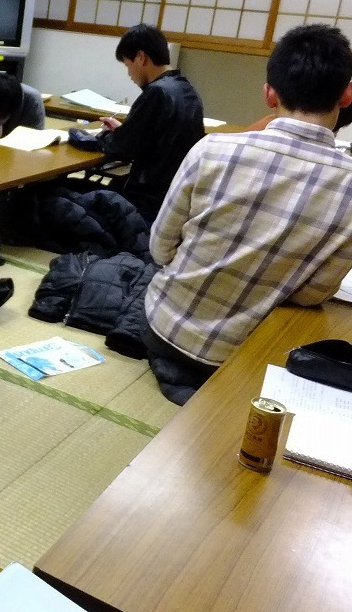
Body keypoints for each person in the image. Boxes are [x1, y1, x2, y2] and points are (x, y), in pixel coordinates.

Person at [143, 23, 352, 406]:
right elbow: (312, 294)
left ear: (269, 93)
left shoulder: (211, 150)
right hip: (253, 357)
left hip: (164, 330)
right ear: (347, 94)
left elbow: (160, 249)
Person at [68, 24, 204, 224]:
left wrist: (100, 136)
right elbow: (154, 135)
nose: (129, 74)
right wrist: (124, 130)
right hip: (173, 198)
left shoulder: (157, 92)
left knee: (61, 193)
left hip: (146, 202)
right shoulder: (186, 88)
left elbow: (120, 148)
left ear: (141, 57)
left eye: (127, 64)